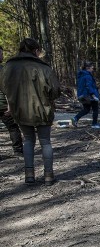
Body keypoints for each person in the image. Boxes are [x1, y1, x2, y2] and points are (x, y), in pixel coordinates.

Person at [0, 38, 61, 185]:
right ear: (35, 50)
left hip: (20, 110)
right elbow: (55, 91)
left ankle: (29, 175)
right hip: (42, 109)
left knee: (28, 140)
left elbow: (3, 87)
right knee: (45, 142)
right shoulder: (43, 67)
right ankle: (48, 176)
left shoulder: (9, 66)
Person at [0, 45, 23, 156]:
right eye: (0, 53)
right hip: (4, 105)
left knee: (13, 128)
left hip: (4, 104)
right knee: (13, 128)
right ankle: (18, 151)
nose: (2, 55)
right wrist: (10, 105)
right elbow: (7, 89)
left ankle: (18, 151)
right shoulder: (3, 70)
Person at [71, 61, 100, 129]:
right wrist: (93, 95)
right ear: (88, 68)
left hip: (83, 95)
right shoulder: (88, 76)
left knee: (86, 109)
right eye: (92, 68)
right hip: (90, 96)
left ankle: (75, 118)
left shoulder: (81, 76)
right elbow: (88, 86)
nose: (92, 70)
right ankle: (94, 124)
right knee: (95, 109)